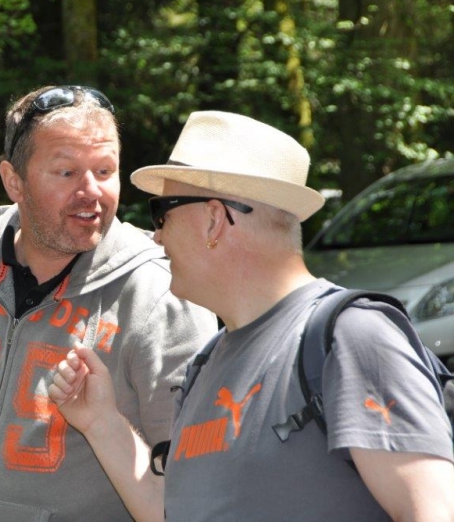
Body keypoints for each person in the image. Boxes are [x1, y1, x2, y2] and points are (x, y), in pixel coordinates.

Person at [49, 110, 454, 521]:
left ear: (214, 219)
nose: (156, 235)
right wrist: (101, 422)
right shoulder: (205, 366)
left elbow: (432, 511)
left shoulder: (353, 337)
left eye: (162, 212)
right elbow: (173, 512)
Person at [0, 86, 218, 522]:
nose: (91, 191)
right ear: (14, 181)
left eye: (105, 170)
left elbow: (192, 486)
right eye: (66, 172)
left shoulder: (164, 295)